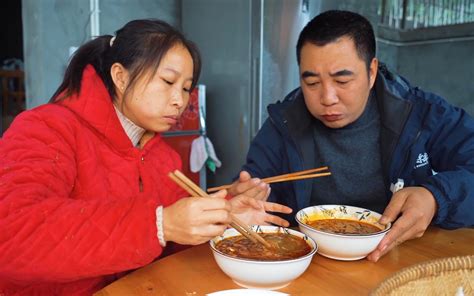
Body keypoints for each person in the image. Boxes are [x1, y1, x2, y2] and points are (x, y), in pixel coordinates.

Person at [0, 19, 291, 295]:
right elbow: (11, 236)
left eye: (186, 88)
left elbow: (173, 244)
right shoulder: (46, 128)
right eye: (168, 81)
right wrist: (159, 224)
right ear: (120, 76)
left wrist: (224, 215)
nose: (180, 100)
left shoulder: (163, 157)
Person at [235, 10, 474, 262]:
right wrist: (249, 198)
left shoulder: (420, 114)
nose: (327, 98)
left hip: (402, 259)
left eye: (342, 81)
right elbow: (257, 187)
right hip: (310, 264)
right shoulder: (284, 121)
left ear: (372, 72)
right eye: (312, 83)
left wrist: (436, 198)